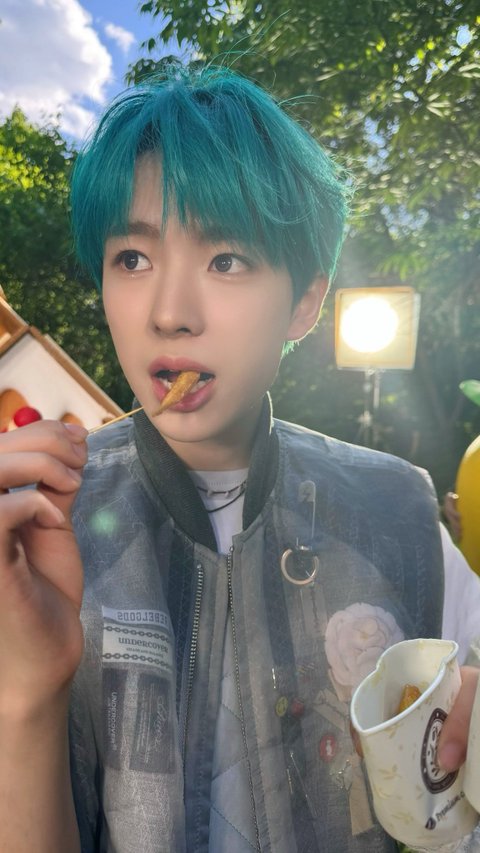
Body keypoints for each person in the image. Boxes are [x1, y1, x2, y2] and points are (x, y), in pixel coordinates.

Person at [1, 63, 480, 853]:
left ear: (305, 301)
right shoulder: (34, 537)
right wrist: (25, 694)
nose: (169, 313)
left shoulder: (398, 515)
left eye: (226, 259)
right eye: (132, 258)